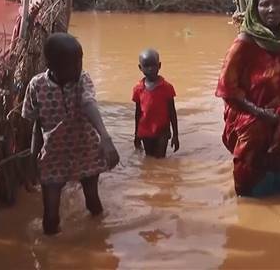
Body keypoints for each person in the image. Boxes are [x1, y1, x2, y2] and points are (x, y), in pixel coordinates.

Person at [22, 33, 119, 235]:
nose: (78, 67)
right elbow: (36, 127)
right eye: (71, 64)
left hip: (86, 150)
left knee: (93, 203)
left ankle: (98, 240)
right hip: (53, 156)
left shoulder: (82, 79)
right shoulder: (36, 86)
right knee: (50, 216)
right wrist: (32, 161)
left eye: (80, 61)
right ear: (51, 65)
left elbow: (88, 103)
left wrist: (105, 137)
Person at [216, 0, 280, 197]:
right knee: (251, 189)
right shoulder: (244, 42)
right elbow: (227, 88)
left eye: (277, 3)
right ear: (255, 10)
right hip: (253, 125)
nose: (272, 9)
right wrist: (261, 113)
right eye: (265, 4)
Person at [132, 49, 180, 158]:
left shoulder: (167, 87)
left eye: (153, 65)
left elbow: (172, 113)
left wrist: (176, 135)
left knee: (160, 158)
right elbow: (138, 113)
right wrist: (136, 135)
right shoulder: (138, 89)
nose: (150, 69)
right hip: (145, 131)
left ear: (159, 65)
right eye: (146, 66)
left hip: (162, 131)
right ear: (140, 67)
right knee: (149, 158)